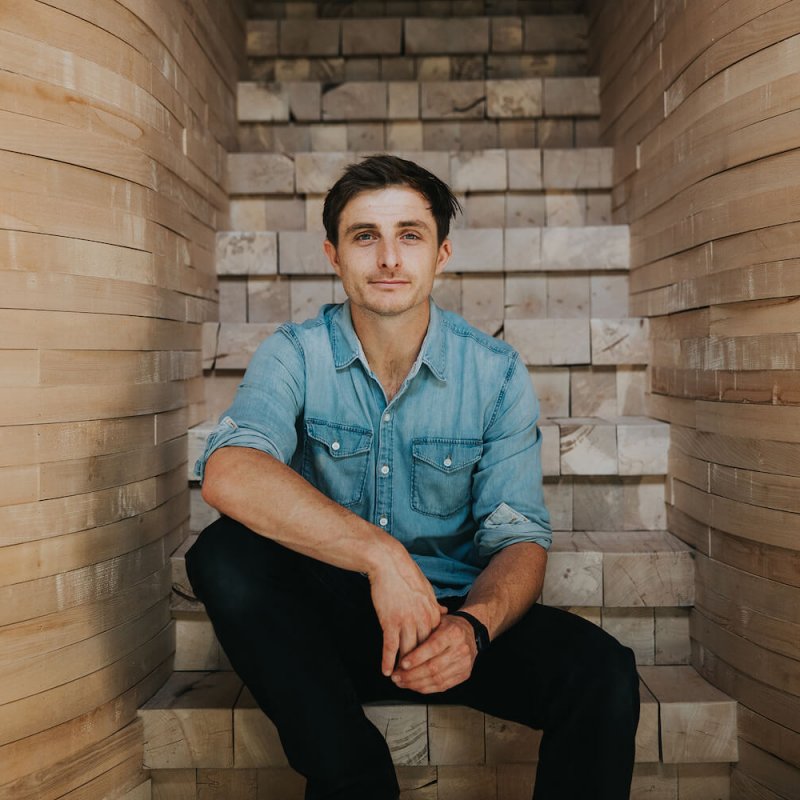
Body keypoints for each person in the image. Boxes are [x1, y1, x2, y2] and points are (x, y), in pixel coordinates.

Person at [187, 155, 639, 800]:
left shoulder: (496, 373)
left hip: (444, 621)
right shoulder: (294, 351)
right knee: (223, 554)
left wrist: (473, 627)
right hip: (326, 628)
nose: (389, 258)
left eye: (410, 235)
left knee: (603, 672)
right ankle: (356, 779)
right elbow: (230, 473)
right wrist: (381, 557)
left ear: (441, 253)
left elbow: (519, 539)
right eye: (365, 236)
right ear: (333, 255)